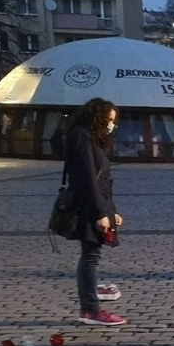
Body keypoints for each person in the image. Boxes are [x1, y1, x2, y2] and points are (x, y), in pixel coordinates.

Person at [63, 97, 126, 326]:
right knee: (90, 257)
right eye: (108, 120)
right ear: (96, 117)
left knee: (91, 255)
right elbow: (87, 179)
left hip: (97, 204)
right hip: (88, 205)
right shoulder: (81, 137)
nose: (111, 124)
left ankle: (89, 307)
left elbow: (103, 180)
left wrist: (112, 211)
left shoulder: (93, 139)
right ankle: (90, 309)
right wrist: (101, 213)